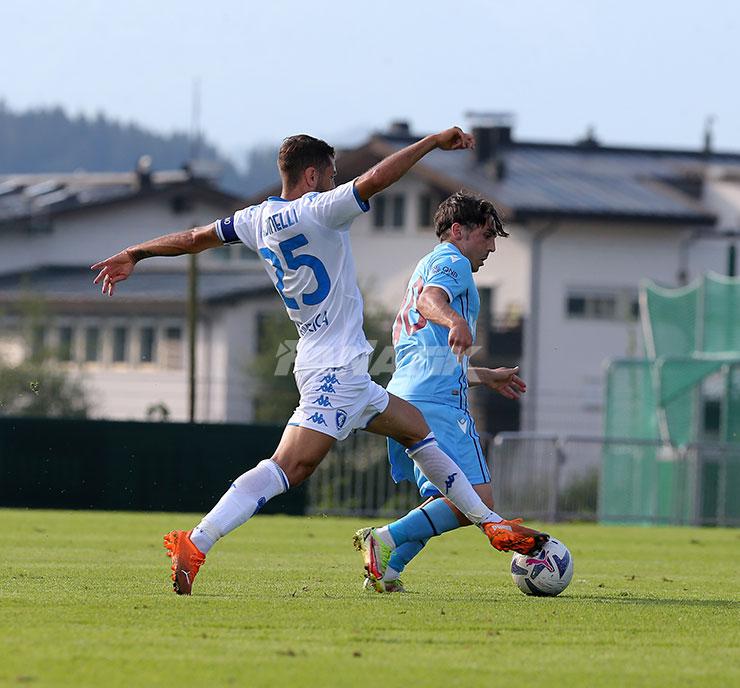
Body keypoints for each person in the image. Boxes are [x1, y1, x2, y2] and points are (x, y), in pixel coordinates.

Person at [90, 128, 547, 596]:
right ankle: (197, 541)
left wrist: (136, 253)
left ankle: (490, 524)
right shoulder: (320, 209)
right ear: (311, 175)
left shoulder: (255, 219)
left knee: (415, 428)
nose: (335, 182)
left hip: (327, 362)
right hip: (336, 369)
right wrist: (430, 144)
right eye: (330, 174)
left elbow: (193, 237)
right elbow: (376, 179)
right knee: (289, 468)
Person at [354, 192, 544, 593]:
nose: (492, 246)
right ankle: (383, 539)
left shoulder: (426, 265)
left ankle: (386, 568)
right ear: (458, 231)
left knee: (445, 500)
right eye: (487, 235)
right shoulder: (453, 261)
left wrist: (481, 375)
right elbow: (430, 302)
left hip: (408, 395)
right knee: (477, 497)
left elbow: (428, 353)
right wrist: (456, 319)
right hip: (438, 402)